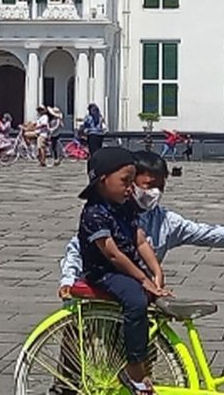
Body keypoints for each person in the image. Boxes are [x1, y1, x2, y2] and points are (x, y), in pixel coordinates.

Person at [59, 150, 224, 295]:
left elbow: (210, 233)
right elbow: (77, 248)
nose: (154, 193)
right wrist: (69, 280)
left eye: (160, 187)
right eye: (148, 185)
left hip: (142, 291)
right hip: (100, 293)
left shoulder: (166, 222)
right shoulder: (107, 213)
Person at [76, 147, 169, 394]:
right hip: (104, 272)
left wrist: (156, 272)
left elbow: (140, 241)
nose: (131, 188)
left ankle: (142, 351)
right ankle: (134, 366)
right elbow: (113, 255)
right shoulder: (94, 213)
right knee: (136, 299)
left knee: (149, 296)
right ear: (102, 180)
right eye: (125, 181)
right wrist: (143, 279)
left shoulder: (125, 206)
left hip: (125, 270)